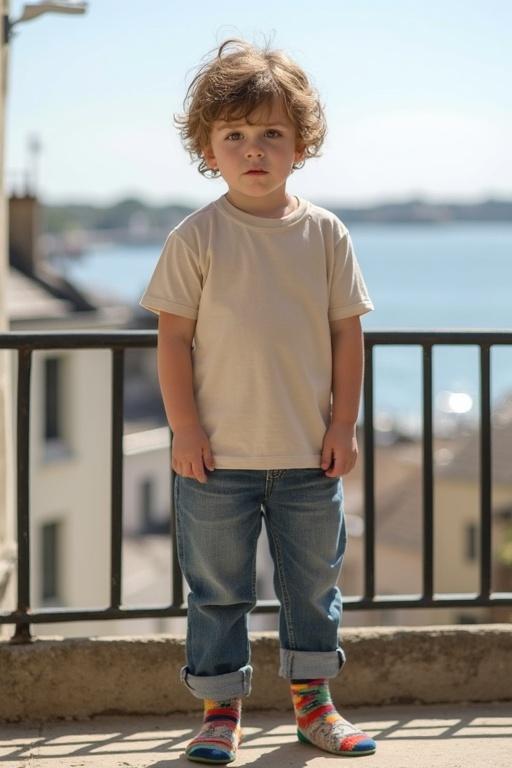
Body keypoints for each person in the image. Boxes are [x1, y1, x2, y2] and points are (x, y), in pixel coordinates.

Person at [139, 37, 376, 764]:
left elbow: (345, 334)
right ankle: (219, 712)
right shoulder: (196, 236)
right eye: (234, 135)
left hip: (310, 455)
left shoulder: (325, 233)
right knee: (217, 592)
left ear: (299, 144)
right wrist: (183, 429)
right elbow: (173, 340)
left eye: (271, 132)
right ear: (207, 148)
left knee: (315, 590)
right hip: (214, 460)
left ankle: (314, 705)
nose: (253, 148)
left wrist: (344, 422)